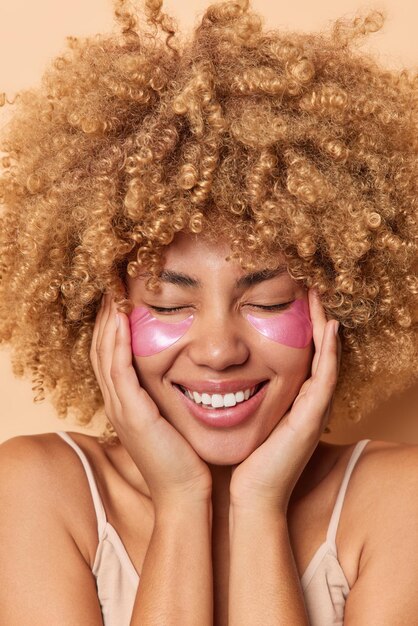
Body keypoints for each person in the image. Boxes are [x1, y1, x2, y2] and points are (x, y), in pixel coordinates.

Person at [0, 0, 417, 623]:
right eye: (169, 303)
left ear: (341, 304)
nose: (219, 350)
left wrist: (258, 505)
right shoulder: (36, 489)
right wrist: (180, 499)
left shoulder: (399, 498)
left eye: (268, 300)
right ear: (102, 312)